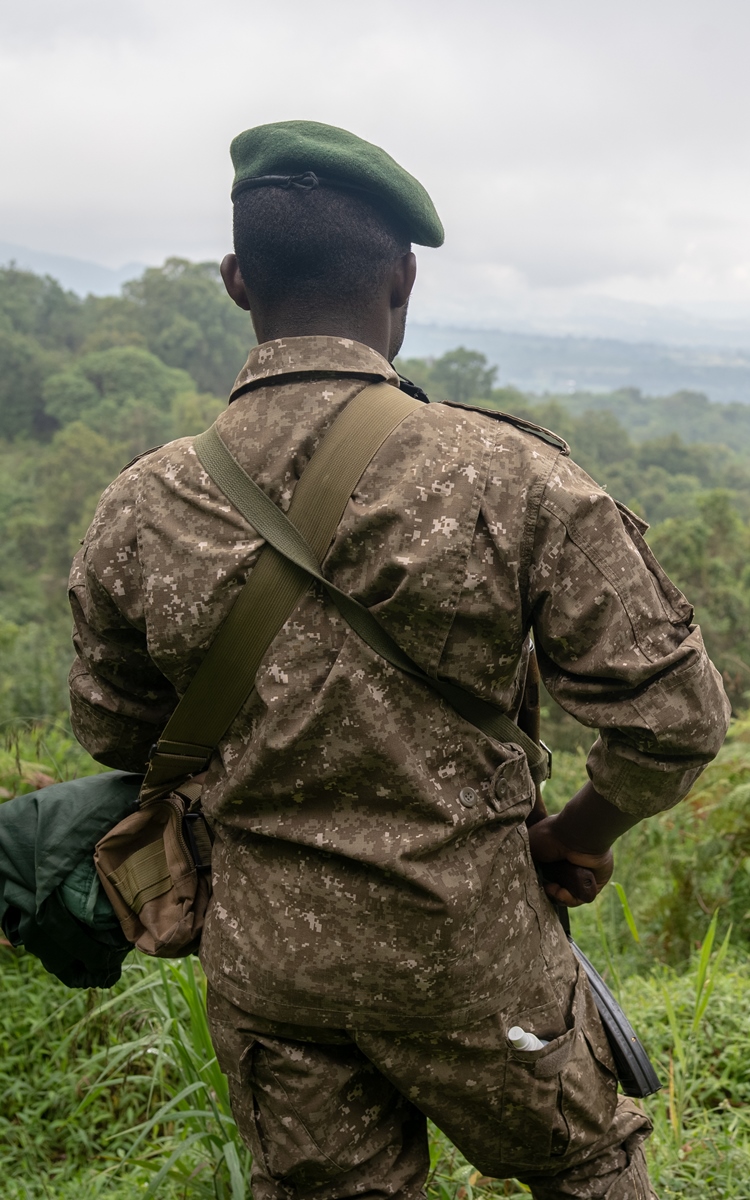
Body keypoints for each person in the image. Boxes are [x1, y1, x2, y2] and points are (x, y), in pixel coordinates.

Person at [68, 120, 730, 1199]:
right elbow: (677, 717)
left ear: (238, 281)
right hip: (470, 949)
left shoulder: (140, 506)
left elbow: (113, 731)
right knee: (588, 1173)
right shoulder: (512, 477)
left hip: (265, 958)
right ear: (402, 273)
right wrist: (577, 834)